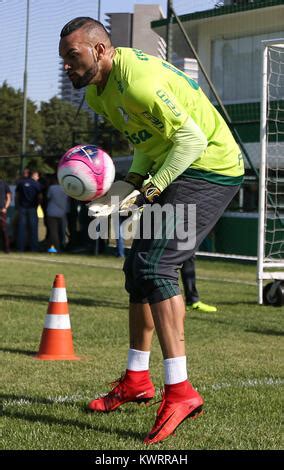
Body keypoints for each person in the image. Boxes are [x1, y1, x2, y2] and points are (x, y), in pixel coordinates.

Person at [59, 17, 244, 445]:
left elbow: (192, 140)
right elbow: (148, 143)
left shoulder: (138, 79)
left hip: (210, 167)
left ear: (100, 51)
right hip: (175, 165)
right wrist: (124, 191)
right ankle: (137, 381)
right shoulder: (100, 95)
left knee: (156, 266)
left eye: (73, 56)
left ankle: (180, 392)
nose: (67, 66)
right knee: (137, 274)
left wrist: (153, 187)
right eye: (64, 59)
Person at [15, 169, 42, 252]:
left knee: (21, 229)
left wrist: (18, 206)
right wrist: (37, 205)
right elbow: (40, 197)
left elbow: (17, 196)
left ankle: (20, 248)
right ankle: (34, 248)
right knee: (33, 229)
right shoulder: (37, 184)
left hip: (22, 208)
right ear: (32, 175)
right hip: (32, 208)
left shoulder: (20, 183)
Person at [0, 176, 11, 253]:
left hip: (1, 210)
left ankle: (6, 249)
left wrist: (5, 207)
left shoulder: (4, 184)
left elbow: (8, 197)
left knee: (4, 229)